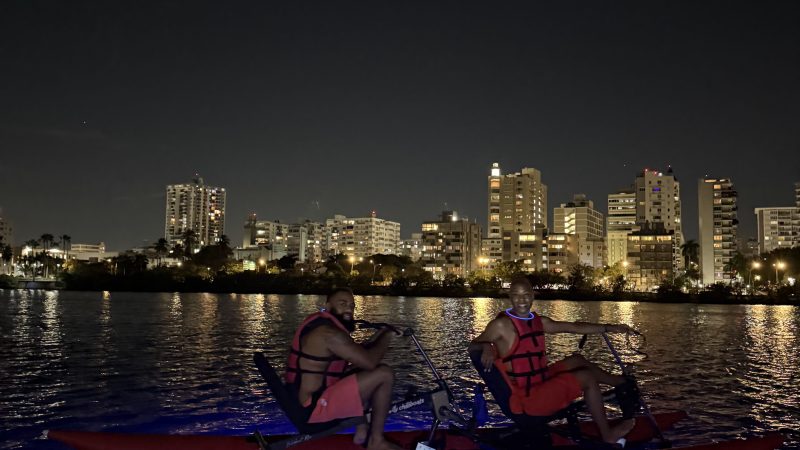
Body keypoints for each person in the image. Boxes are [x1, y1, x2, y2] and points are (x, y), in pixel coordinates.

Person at [469, 276, 638, 444]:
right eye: (516, 295)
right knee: (586, 377)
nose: (522, 300)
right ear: (510, 297)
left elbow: (572, 327)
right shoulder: (500, 325)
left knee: (577, 360)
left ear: (533, 295)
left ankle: (621, 383)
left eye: (526, 294)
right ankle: (608, 435)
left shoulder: (539, 322)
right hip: (526, 400)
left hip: (539, 381)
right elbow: (473, 346)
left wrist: (610, 328)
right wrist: (486, 347)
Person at [285, 287, 402, 450]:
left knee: (363, 372)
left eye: (352, 305)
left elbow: (358, 355)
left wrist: (380, 333)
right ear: (326, 306)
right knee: (384, 374)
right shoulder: (329, 333)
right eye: (343, 303)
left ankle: (361, 430)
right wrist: (388, 335)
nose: (349, 309)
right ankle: (376, 441)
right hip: (313, 409)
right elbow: (370, 362)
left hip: (305, 400)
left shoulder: (320, 324)